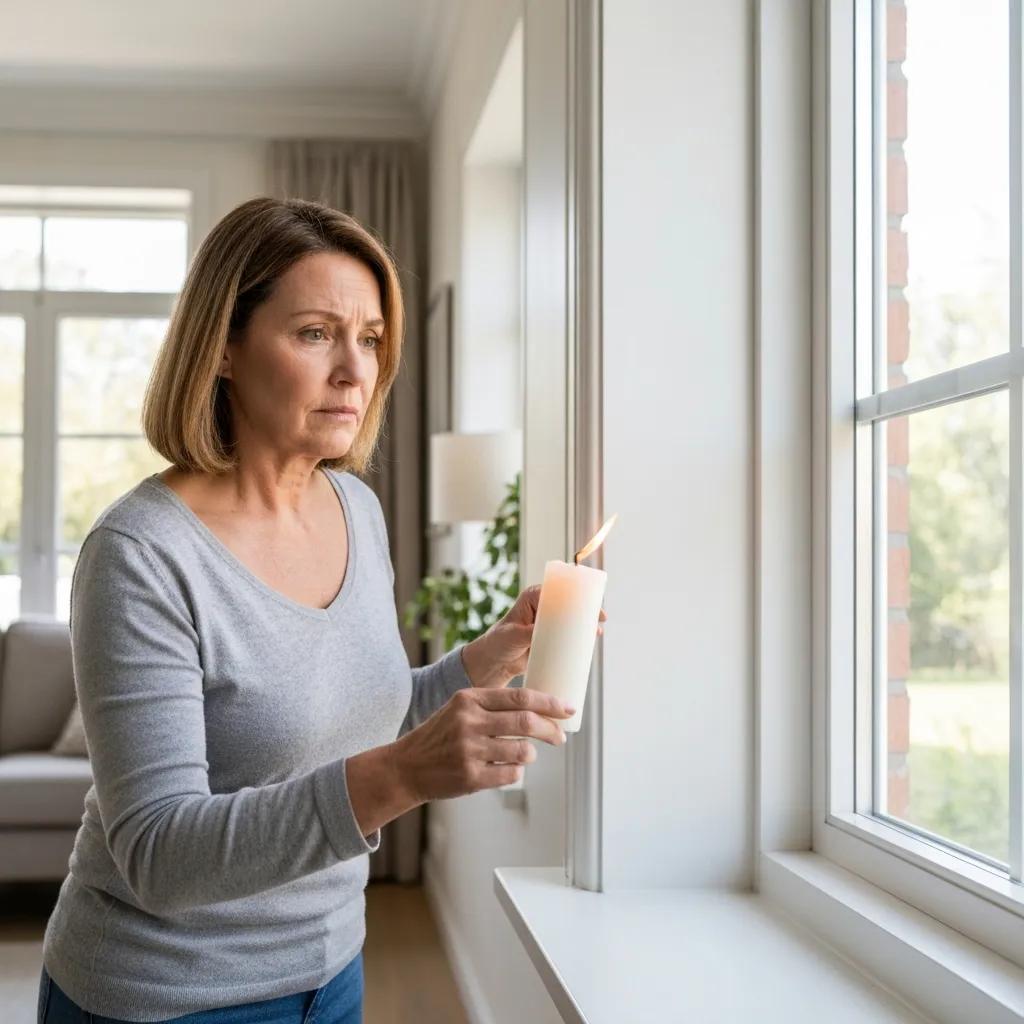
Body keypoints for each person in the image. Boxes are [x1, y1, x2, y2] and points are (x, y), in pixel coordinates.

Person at [36, 196, 604, 1023]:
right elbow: (159, 852)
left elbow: (361, 717)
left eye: (370, 339)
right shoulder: (141, 554)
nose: (356, 371)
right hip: (165, 997)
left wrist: (491, 655)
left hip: (331, 970)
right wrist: (403, 775)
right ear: (224, 347)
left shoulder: (353, 509)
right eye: (314, 334)